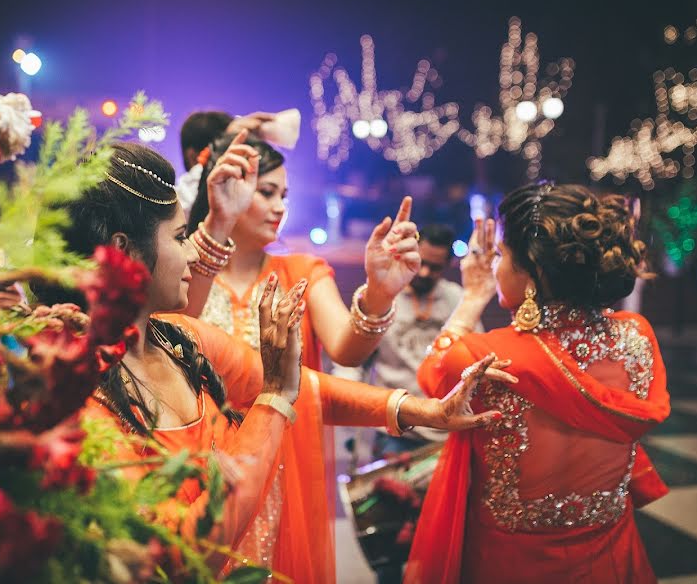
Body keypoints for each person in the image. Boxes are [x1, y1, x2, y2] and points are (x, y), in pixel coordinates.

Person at [53, 142, 505, 578]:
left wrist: (428, 410)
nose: (191, 250)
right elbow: (178, 561)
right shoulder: (76, 392)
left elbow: (310, 388)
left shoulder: (180, 339)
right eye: (179, 237)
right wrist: (273, 398)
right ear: (124, 252)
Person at [404, 183, 671, 584]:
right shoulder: (638, 337)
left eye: (500, 256)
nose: (493, 267)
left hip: (508, 564)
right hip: (610, 558)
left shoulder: (482, 357)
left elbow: (432, 374)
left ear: (533, 274)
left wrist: (473, 296)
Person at [183, 132, 422, 579]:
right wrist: (216, 224)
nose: (279, 206)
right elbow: (176, 321)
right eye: (267, 192)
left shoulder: (300, 271)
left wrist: (379, 294)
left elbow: (347, 347)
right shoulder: (185, 268)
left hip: (280, 462)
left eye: (285, 195)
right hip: (199, 459)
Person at [333, 223, 482, 459]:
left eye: (435, 268)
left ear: (446, 266)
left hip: (446, 431)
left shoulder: (458, 299)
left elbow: (476, 360)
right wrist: (349, 420)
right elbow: (352, 363)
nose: (424, 273)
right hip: (395, 429)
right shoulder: (386, 295)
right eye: (422, 264)